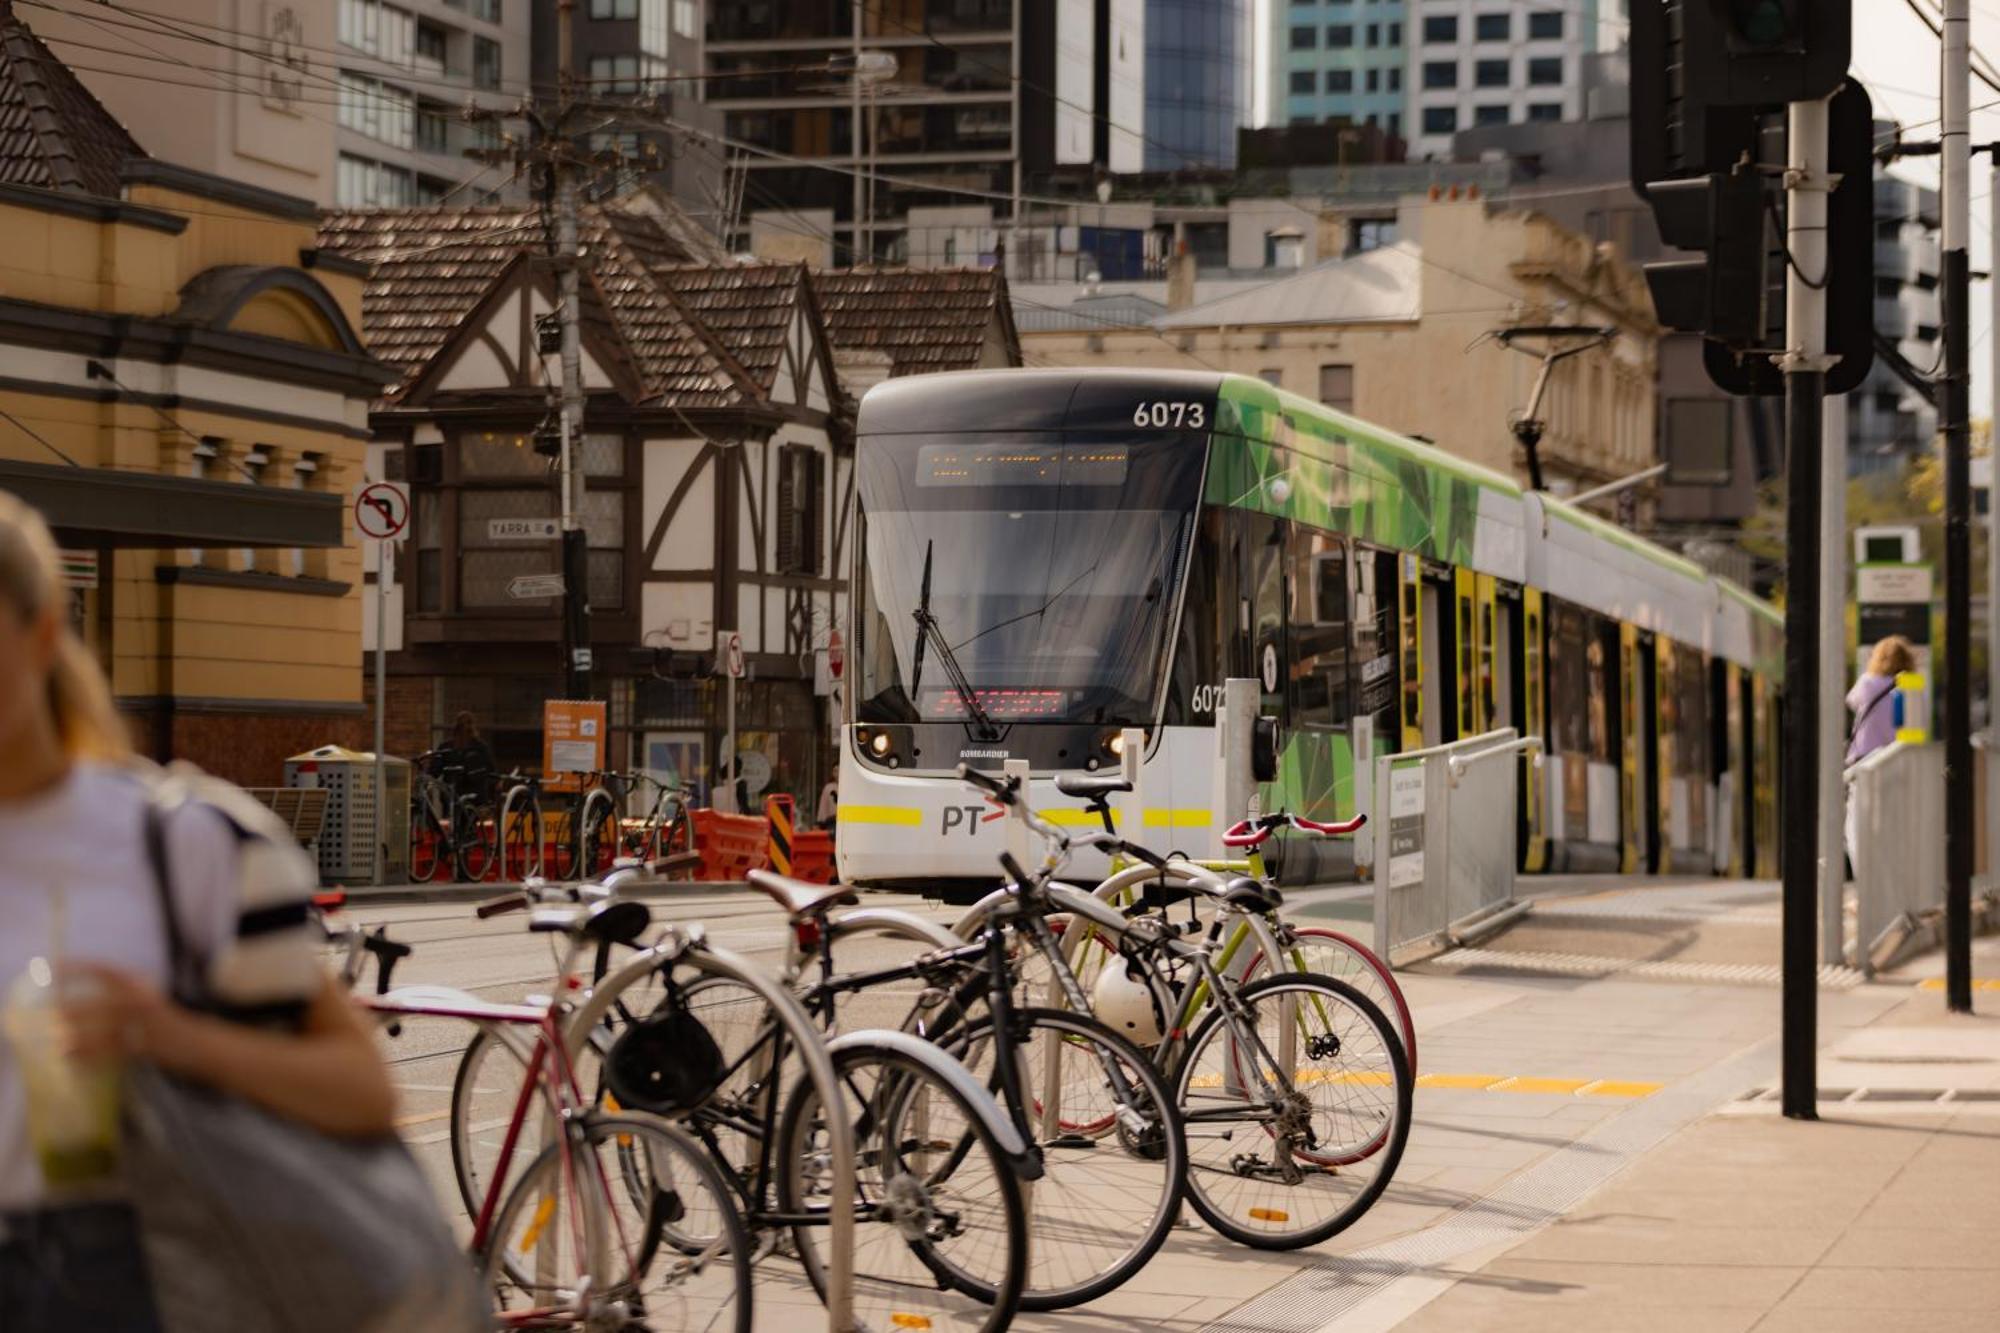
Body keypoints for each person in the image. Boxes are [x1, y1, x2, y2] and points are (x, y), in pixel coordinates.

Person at [0, 493, 396, 1331]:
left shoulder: (182, 842)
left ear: (40, 636)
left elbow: (362, 1089)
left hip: (126, 1277)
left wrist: (168, 1036)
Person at [1846, 635, 1916, 765]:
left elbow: (1851, 702)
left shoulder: (1867, 682)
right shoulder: (1911, 686)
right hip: (1897, 756)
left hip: (1865, 754)